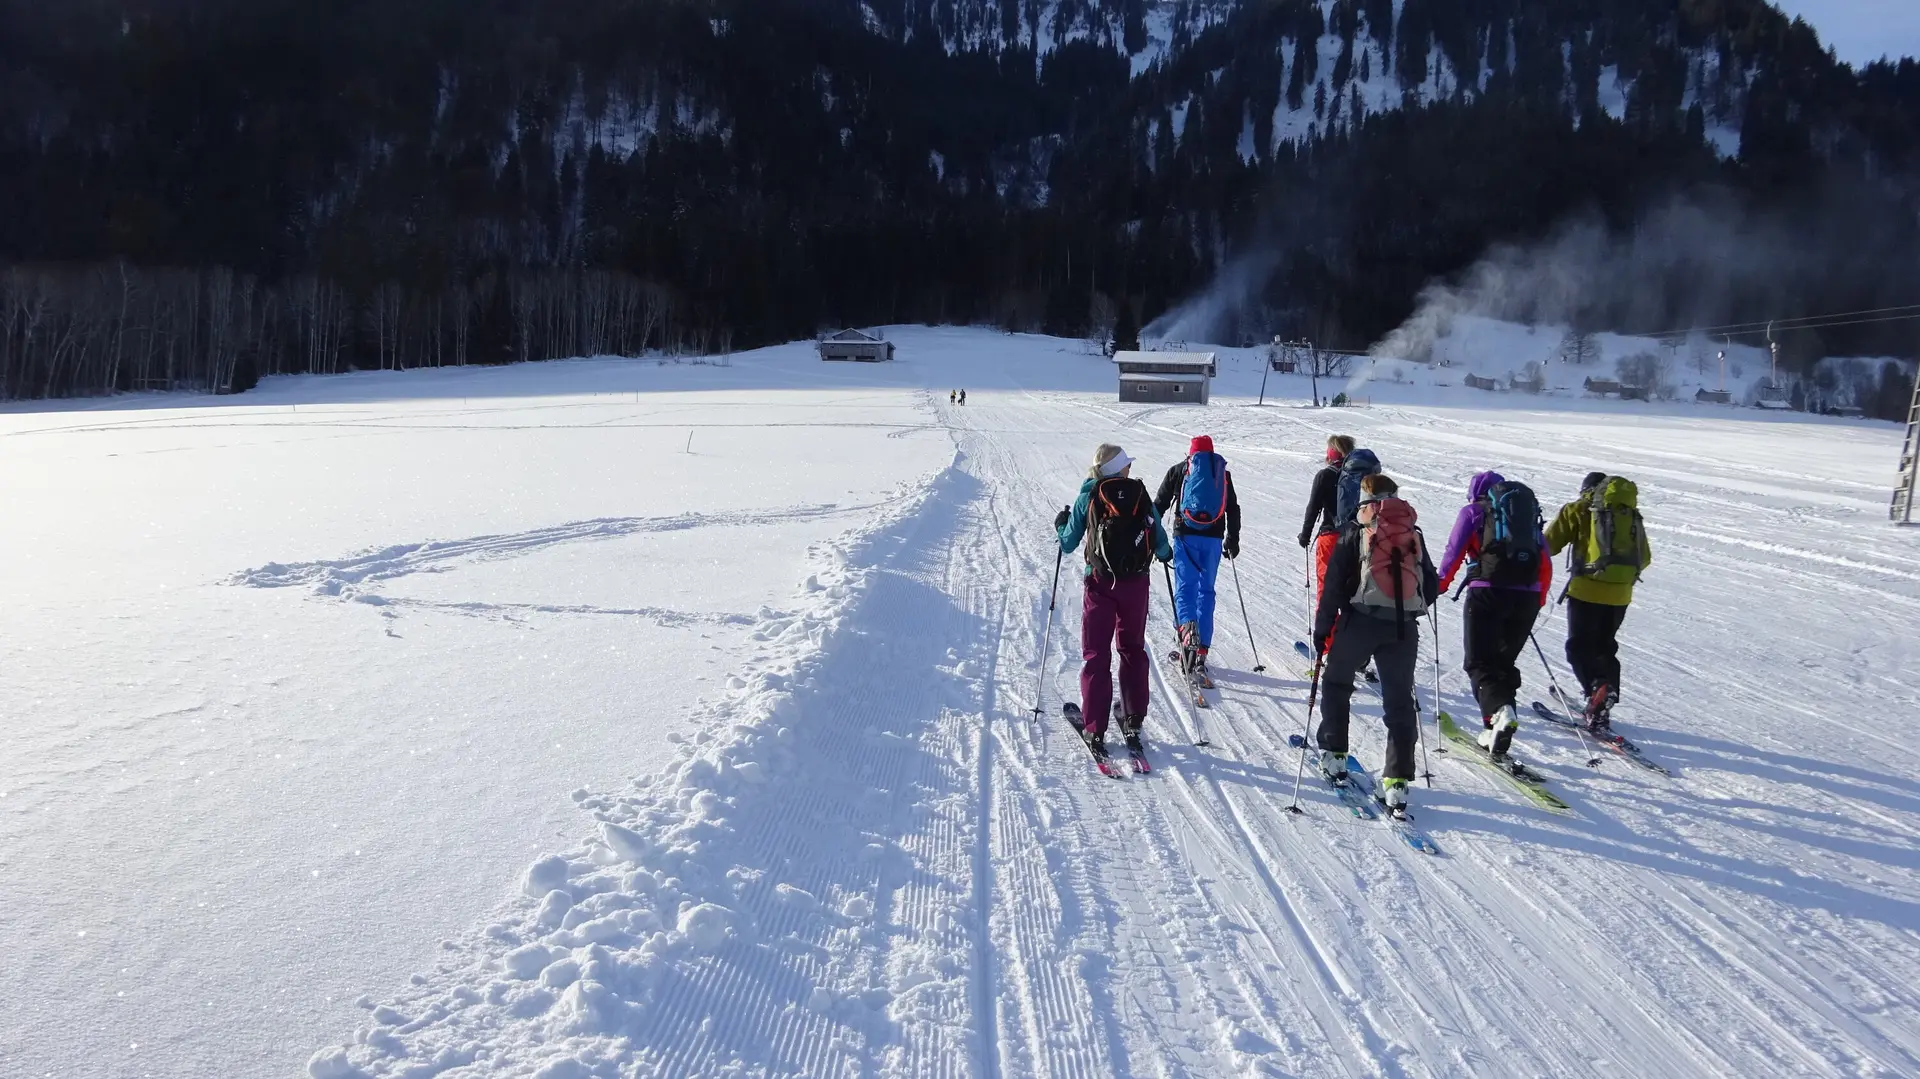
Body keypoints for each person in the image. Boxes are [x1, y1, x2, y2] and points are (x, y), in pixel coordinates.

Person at [1311, 473, 1438, 816]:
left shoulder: (1355, 531)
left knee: (1337, 682)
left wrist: (1322, 631)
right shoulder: (1413, 533)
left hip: (1360, 621)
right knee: (1399, 702)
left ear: (1364, 496)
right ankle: (1397, 782)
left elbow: (1334, 587)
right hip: (1402, 627)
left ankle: (1335, 755)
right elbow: (1432, 584)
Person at [1056, 444, 1174, 757]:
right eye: (1126, 465)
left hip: (1099, 584)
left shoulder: (1090, 495)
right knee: (1132, 649)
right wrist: (1164, 554)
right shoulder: (1139, 494)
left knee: (1096, 654)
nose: (1129, 470)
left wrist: (1060, 524)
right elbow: (1158, 535)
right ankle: (1133, 720)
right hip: (1136, 583)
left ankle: (1095, 729)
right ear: (1117, 468)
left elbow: (1067, 542)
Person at [1436, 471, 1552, 758]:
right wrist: (1538, 599)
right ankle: (1497, 725)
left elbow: (1454, 550)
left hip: (1488, 592)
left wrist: (1438, 585)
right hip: (1526, 595)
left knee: (1478, 662)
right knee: (1503, 661)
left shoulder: (1473, 512)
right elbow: (1545, 560)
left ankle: (1499, 713)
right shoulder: (1525, 515)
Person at [1545, 471, 1652, 733]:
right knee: (1605, 646)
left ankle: (1596, 690)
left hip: (1586, 591)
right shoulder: (1630, 514)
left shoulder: (1579, 509)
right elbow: (1645, 557)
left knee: (1578, 647)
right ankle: (1607, 693)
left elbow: (1547, 545)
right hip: (1621, 594)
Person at [1153, 435, 1241, 681]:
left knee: (1185, 589)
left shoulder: (1180, 470)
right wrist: (1233, 539)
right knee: (1206, 591)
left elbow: (1158, 505)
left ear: (1190, 454)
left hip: (1185, 536)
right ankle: (1201, 650)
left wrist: (1151, 536)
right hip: (1213, 539)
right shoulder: (1222, 474)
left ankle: (1186, 635)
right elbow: (1233, 507)